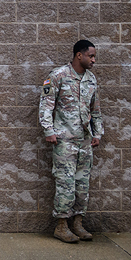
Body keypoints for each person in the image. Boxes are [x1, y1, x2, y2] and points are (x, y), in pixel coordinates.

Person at [39, 40, 103, 243]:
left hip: (84, 141)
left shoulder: (91, 80)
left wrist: (97, 133)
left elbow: (96, 110)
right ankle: (61, 226)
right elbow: (46, 105)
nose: (93, 60)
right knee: (65, 184)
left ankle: (78, 223)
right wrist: (48, 130)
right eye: (90, 56)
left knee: (82, 185)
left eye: (94, 56)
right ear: (79, 56)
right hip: (64, 141)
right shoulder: (58, 76)